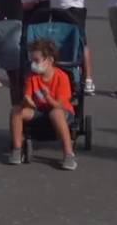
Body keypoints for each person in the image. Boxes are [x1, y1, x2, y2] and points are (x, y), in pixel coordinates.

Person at [8, 38, 77, 170]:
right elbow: (27, 96)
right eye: (32, 61)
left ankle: (68, 154)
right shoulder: (32, 77)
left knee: (55, 113)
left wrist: (47, 97)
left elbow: (59, 105)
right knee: (16, 110)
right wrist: (27, 101)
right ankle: (17, 149)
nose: (34, 64)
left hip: (61, 111)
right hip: (39, 110)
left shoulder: (61, 77)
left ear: (49, 60)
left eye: (37, 61)